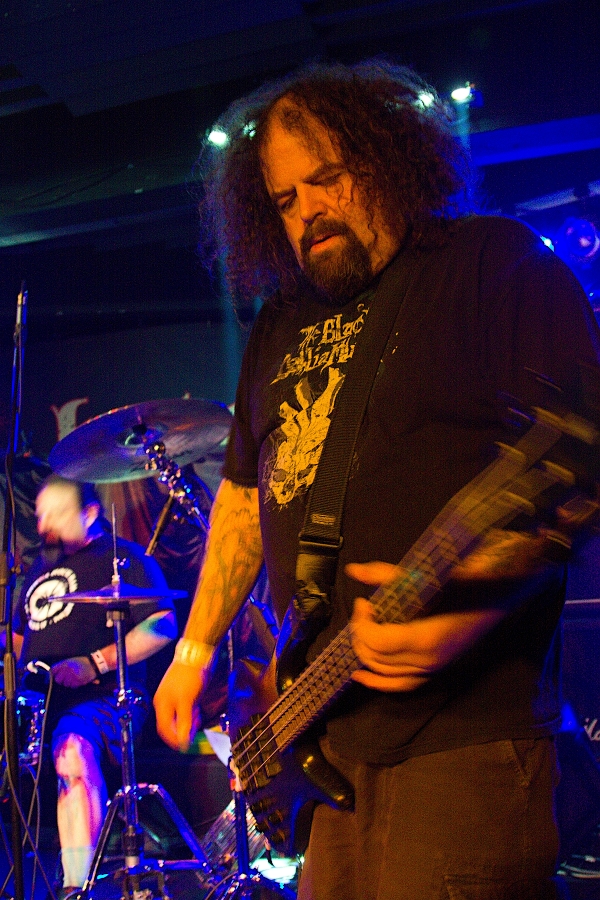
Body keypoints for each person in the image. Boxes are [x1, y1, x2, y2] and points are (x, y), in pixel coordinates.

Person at [153, 59, 600, 899]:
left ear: (388, 156)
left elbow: (575, 467)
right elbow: (246, 493)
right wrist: (196, 648)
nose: (307, 212)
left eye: (327, 178)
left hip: (462, 739)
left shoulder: (491, 262)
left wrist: (472, 612)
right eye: (285, 199)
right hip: (326, 742)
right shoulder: (281, 320)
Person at [12, 475, 177, 898]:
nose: (43, 524)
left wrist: (94, 663)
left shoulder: (123, 558)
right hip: (40, 701)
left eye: (55, 513)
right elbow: (19, 638)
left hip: (103, 698)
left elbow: (162, 625)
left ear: (89, 513)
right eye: (40, 515)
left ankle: (74, 887)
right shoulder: (39, 568)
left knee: (72, 750)